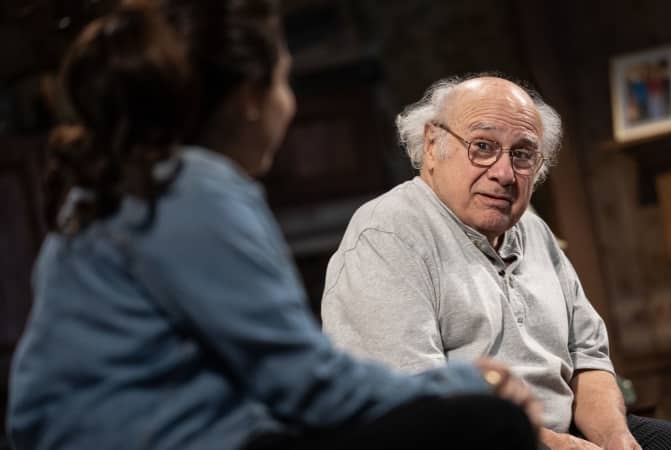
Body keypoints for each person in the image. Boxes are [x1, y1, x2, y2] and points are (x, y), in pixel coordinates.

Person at [6, 3, 541, 450]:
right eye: (286, 79)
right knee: (488, 423)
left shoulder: (126, 185)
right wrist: (476, 380)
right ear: (249, 102)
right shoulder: (192, 188)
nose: (292, 100)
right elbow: (311, 386)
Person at [321, 75, 671, 450]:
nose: (504, 174)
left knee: (670, 443)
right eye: (483, 147)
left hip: (556, 430)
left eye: (521, 155)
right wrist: (555, 445)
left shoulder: (534, 231)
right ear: (433, 144)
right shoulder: (388, 235)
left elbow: (587, 357)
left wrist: (613, 438)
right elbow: (415, 399)